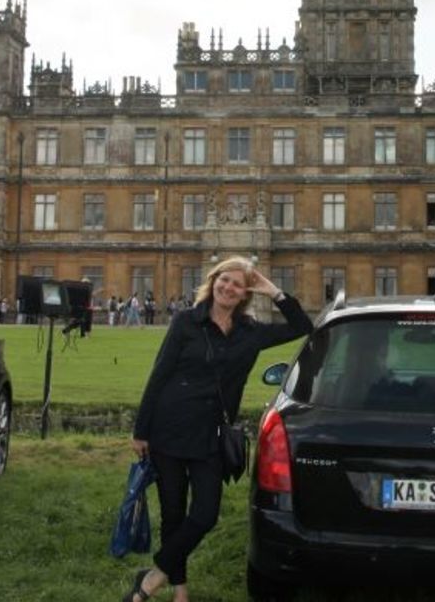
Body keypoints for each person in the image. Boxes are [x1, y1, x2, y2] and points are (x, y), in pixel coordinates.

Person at [124, 257, 312, 602]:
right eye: (224, 280)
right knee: (173, 513)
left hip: (211, 433)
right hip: (169, 427)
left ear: (245, 292)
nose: (228, 288)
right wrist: (141, 430)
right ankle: (180, 590)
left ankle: (151, 578)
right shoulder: (186, 322)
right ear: (213, 282)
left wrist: (271, 289)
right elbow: (159, 375)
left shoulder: (251, 332)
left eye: (238, 284)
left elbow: (302, 326)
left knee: (205, 514)